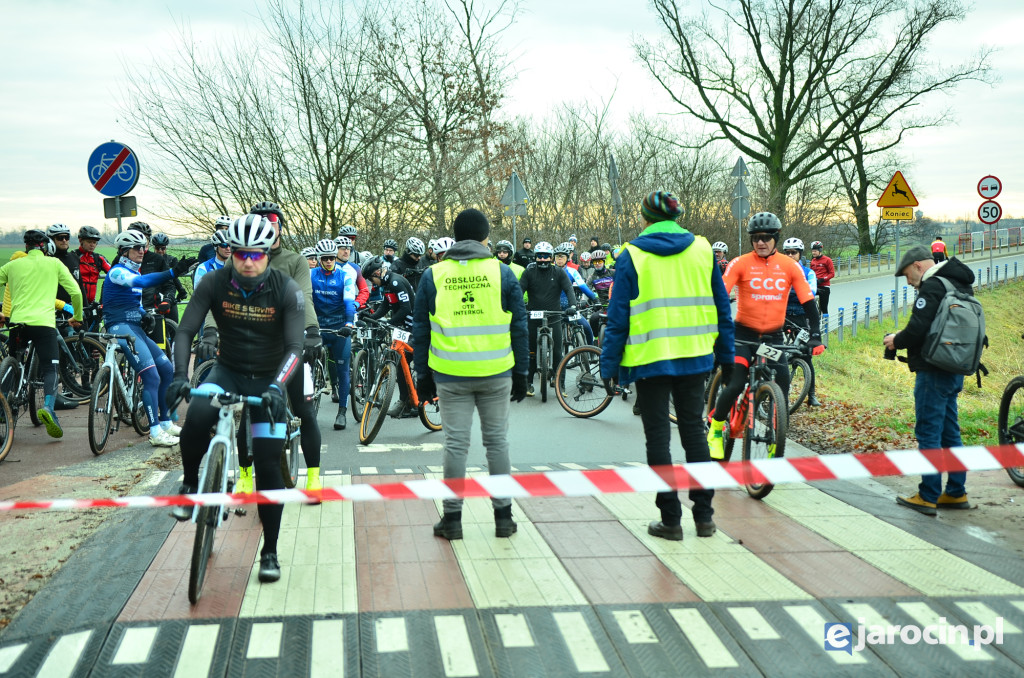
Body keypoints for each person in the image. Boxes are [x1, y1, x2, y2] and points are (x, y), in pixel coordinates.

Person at [167, 214, 303, 583]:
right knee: (195, 418)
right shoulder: (214, 281)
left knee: (268, 465)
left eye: (256, 254)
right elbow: (185, 330)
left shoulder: (286, 289)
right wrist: (180, 375)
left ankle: (270, 551)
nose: (247, 261)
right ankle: (191, 482)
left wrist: (278, 387)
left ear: (267, 253)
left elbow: (295, 347)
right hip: (226, 370)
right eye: (240, 253)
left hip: (268, 380)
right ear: (230, 252)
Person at [601, 191, 734, 540]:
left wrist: (609, 365)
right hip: (695, 357)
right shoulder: (703, 250)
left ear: (644, 219)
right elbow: (722, 308)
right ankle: (704, 517)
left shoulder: (631, 256)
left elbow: (618, 317)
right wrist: (727, 356)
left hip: (649, 359)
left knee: (658, 438)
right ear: (679, 217)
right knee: (694, 433)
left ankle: (671, 521)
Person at [412, 208, 529, 540]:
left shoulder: (433, 275)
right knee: (496, 443)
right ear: (485, 237)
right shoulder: (503, 273)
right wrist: (522, 370)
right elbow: (519, 326)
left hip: (450, 374)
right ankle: (503, 519)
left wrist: (423, 375)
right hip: (496, 371)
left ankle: (452, 521)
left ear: (455, 236)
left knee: (455, 445)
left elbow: (421, 331)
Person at [196, 201, 324, 492]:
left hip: (288, 346)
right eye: (261, 221)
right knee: (249, 416)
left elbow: (304, 296)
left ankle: (314, 477)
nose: (268, 226)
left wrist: (313, 330)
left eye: (273, 221)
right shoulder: (237, 260)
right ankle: (244, 476)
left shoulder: (294, 261)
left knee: (305, 412)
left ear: (280, 226)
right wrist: (211, 334)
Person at [707, 212, 824, 460]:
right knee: (736, 382)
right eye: (756, 238)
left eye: (767, 237)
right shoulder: (740, 263)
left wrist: (815, 334)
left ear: (776, 238)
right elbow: (719, 296)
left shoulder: (789, 266)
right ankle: (716, 428)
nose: (761, 242)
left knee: (781, 383)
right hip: (742, 336)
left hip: (772, 338)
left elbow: (807, 301)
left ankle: (773, 432)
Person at [884, 245, 975, 515]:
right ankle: (956, 492)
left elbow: (918, 328)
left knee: (928, 432)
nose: (909, 282)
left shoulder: (933, 286)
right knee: (950, 432)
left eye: (907, 275)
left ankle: (928, 495)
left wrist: (895, 340)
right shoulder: (957, 283)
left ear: (918, 266)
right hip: (955, 365)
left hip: (933, 369)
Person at [101, 229, 196, 445]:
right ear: (124, 252)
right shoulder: (117, 272)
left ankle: (165, 422)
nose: (142, 251)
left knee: (166, 370)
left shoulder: (133, 271)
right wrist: (173, 272)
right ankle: (154, 432)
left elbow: (133, 301)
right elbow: (142, 284)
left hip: (135, 327)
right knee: (152, 377)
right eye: (137, 248)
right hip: (120, 328)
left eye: (143, 247)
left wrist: (145, 315)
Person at [0, 230, 84, 437]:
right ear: (45, 247)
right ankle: (48, 407)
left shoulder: (12, 265)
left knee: (14, 361)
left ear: (26, 247)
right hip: (44, 325)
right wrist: (77, 316)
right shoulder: (54, 263)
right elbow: (75, 292)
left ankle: (2, 402)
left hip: (18, 323)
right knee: (50, 368)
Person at [361, 256, 418, 417]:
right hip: (404, 328)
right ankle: (406, 402)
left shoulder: (396, 282)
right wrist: (370, 317)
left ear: (378, 272)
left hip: (416, 327)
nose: (372, 283)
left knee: (404, 358)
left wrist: (389, 323)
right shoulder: (386, 286)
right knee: (399, 360)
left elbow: (405, 309)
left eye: (371, 279)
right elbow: (385, 307)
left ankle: (413, 398)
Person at [310, 238, 358, 430]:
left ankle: (342, 412)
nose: (329, 261)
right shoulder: (311, 274)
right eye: (325, 258)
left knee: (342, 368)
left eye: (331, 257)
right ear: (320, 258)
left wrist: (349, 322)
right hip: (318, 326)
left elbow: (348, 300)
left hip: (339, 327)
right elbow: (303, 299)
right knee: (306, 366)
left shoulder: (344, 275)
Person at [518, 240, 575, 396]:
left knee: (557, 352)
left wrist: (573, 306)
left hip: (554, 316)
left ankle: (560, 385)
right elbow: (519, 290)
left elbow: (569, 289)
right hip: (533, 316)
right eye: (539, 256)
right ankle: (528, 384)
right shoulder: (529, 272)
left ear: (551, 258)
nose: (542, 259)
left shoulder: (559, 272)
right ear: (535, 257)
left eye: (546, 256)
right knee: (530, 351)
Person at [782, 237, 821, 407]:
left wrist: (790, 291)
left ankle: (811, 395)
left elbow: (810, 291)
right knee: (769, 349)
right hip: (781, 315)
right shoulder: (778, 271)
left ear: (800, 254)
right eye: (787, 252)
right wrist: (797, 290)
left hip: (801, 316)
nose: (790, 255)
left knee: (806, 356)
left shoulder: (808, 272)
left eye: (794, 252)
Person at [553, 242, 597, 344]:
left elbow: (583, 286)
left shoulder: (572, 271)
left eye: (562, 256)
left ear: (567, 258)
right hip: (553, 309)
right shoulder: (549, 270)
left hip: (569, 308)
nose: (559, 259)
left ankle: (590, 352)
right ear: (553, 258)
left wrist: (594, 298)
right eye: (557, 256)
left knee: (586, 327)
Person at [151, 233, 188, 322]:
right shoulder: (150, 260)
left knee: (174, 323)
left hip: (169, 294)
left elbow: (174, 278)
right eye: (157, 248)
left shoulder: (172, 260)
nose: (160, 251)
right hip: (154, 296)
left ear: (166, 248)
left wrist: (181, 290)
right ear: (154, 248)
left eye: (163, 248)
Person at [46, 224, 84, 306]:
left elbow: (80, 284)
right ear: (51, 240)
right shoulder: (47, 259)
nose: (64, 240)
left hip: (74, 307)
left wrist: (85, 306)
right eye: (60, 238)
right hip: (55, 308)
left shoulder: (74, 257)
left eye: (67, 237)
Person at [75, 225, 110, 305]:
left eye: (94, 242)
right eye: (89, 242)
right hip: (75, 303)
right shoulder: (73, 256)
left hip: (91, 304)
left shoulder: (99, 258)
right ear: (81, 241)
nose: (92, 245)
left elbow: (114, 273)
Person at [808, 241, 834, 316]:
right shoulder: (813, 261)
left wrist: (822, 279)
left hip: (824, 286)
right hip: (815, 285)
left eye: (815, 251)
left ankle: (826, 325)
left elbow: (832, 274)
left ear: (820, 251)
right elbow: (811, 273)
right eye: (812, 251)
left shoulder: (827, 260)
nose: (813, 253)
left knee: (824, 308)